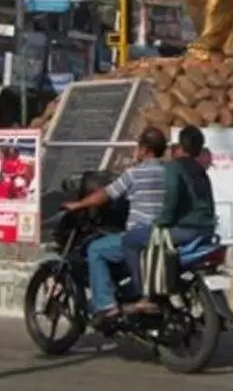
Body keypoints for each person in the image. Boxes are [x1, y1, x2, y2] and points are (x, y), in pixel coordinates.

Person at [62, 127, 169, 324]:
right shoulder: (170, 173)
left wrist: (78, 204)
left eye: (138, 147)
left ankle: (106, 305)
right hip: (164, 236)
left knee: (96, 249)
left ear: (145, 149)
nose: (136, 150)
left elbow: (106, 194)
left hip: (139, 236)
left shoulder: (134, 174)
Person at [121, 125, 218, 313]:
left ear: (180, 146)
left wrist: (162, 221)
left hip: (185, 230)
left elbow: (172, 194)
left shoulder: (176, 167)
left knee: (130, 240)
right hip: (206, 229)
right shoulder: (200, 171)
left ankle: (143, 294)